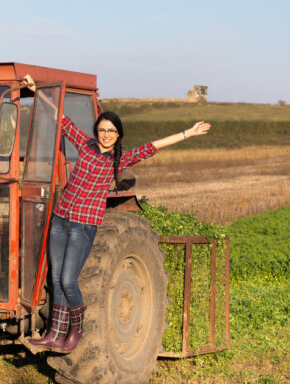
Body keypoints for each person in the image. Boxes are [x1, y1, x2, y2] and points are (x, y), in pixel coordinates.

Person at [30, 111, 211, 353]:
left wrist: (189, 132)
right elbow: (63, 120)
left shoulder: (120, 160)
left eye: (112, 131)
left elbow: (151, 147)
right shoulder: (85, 145)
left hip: (83, 225)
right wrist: (36, 91)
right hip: (60, 219)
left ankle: (77, 328)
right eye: (103, 130)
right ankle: (54, 333)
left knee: (68, 281)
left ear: (118, 134)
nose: (106, 135)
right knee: (54, 280)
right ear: (97, 131)